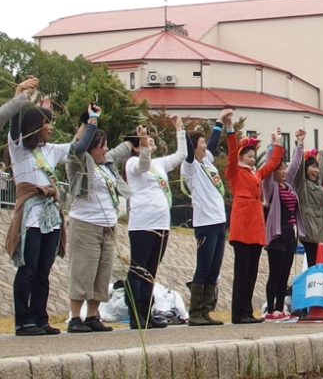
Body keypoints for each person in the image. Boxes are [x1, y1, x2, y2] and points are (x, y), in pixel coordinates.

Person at [5, 101, 97, 336]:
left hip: (51, 218)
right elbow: (15, 126)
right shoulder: (18, 148)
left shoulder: (51, 150)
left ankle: (40, 318)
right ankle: (23, 321)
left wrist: (91, 120)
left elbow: (79, 147)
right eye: (47, 123)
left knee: (44, 269)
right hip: (30, 217)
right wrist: (20, 98)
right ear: (35, 125)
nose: (51, 128)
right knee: (28, 268)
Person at [65, 113, 138, 333]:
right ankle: (75, 318)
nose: (106, 149)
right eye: (101, 145)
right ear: (91, 147)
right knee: (83, 270)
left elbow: (120, 151)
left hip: (108, 226)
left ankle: (92, 317)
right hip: (85, 224)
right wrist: (89, 123)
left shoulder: (106, 164)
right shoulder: (80, 162)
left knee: (102, 271)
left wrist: (136, 136)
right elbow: (77, 147)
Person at [125, 115, 186, 329]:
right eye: (144, 140)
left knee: (151, 270)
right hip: (142, 224)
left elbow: (181, 155)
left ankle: (147, 313)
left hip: (161, 224)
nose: (150, 141)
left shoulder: (159, 163)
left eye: (150, 140)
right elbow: (143, 165)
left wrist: (179, 130)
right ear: (136, 147)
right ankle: (135, 315)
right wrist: (143, 147)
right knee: (139, 269)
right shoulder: (133, 163)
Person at [224, 115, 284, 324]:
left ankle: (247, 310)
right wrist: (230, 128)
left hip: (256, 228)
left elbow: (273, 163)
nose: (252, 158)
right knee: (242, 270)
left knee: (252, 271)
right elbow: (231, 153)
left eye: (253, 155)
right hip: (242, 227)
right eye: (248, 155)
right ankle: (238, 312)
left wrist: (276, 142)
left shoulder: (256, 174)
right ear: (241, 157)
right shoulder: (235, 172)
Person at [181, 110, 230, 326]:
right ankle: (195, 312)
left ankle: (206, 310)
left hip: (219, 222)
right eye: (199, 141)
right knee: (203, 266)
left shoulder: (208, 162)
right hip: (205, 223)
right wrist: (179, 130)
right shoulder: (190, 166)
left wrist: (219, 121)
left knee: (214, 267)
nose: (203, 145)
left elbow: (213, 142)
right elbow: (189, 152)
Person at [261, 128, 305, 320]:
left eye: (283, 168)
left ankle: (280, 307)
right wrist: (273, 145)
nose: (283, 171)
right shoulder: (270, 187)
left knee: (285, 274)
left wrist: (300, 143)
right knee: (275, 273)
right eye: (279, 168)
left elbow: (295, 165)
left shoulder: (287, 185)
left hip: (290, 234)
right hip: (276, 234)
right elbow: (268, 167)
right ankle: (270, 309)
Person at [295, 139, 323, 268]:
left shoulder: (318, 184)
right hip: (311, 229)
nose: (316, 170)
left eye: (317, 167)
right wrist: (299, 145)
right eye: (312, 166)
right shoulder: (302, 185)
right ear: (306, 169)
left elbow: (322, 165)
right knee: (314, 265)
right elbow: (298, 168)